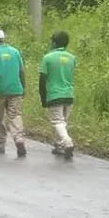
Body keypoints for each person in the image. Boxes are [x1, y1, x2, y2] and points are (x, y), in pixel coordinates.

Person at [0, 29, 27, 158]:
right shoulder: (15, 52)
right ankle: (19, 139)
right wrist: (23, 87)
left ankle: (0, 145)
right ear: (3, 39)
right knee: (15, 115)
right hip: (15, 90)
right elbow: (22, 71)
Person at [39, 31, 77, 159]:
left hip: (55, 95)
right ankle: (59, 145)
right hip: (69, 94)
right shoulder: (72, 58)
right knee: (63, 122)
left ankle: (67, 142)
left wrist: (43, 98)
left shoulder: (47, 58)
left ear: (54, 43)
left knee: (57, 121)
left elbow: (42, 80)